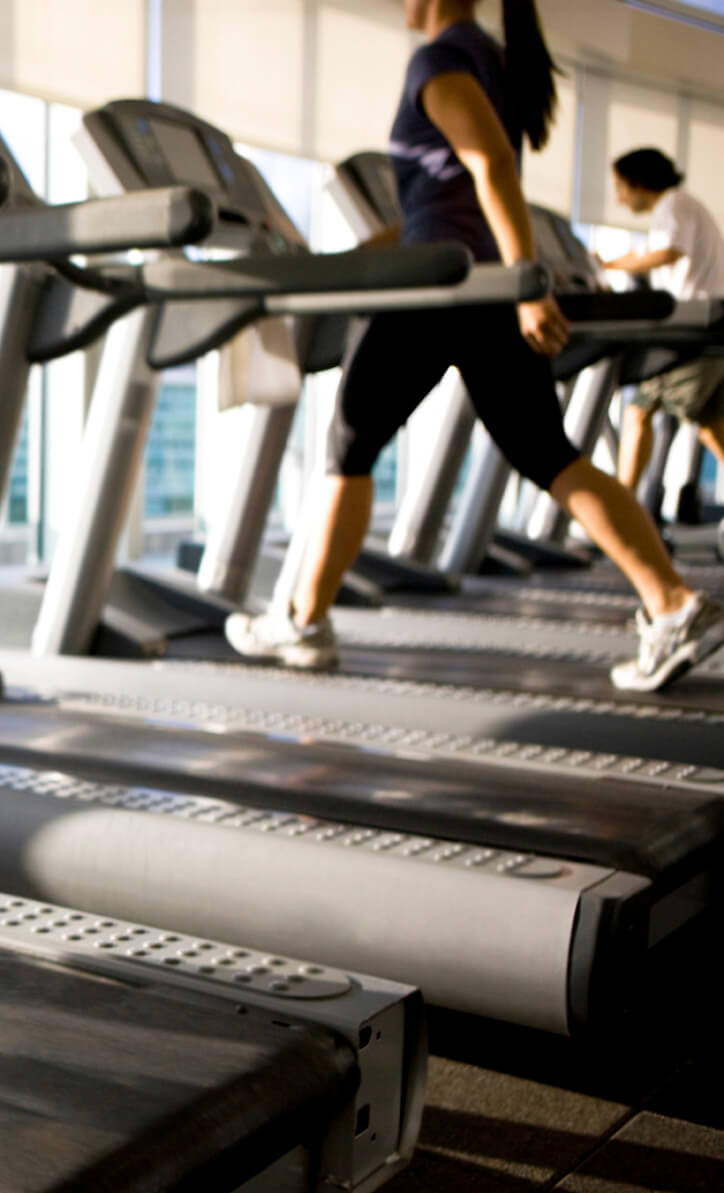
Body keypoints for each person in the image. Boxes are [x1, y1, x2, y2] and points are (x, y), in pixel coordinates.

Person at [227, 0, 724, 692]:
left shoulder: (441, 60)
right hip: (475, 281)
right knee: (549, 453)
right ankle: (673, 602)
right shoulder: (491, 60)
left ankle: (304, 624)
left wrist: (529, 285)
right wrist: (340, 260)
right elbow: (439, 207)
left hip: (448, 292)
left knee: (351, 444)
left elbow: (490, 166)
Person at [595, 148, 724, 526]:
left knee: (639, 412)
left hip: (694, 331)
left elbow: (668, 252)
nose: (618, 196)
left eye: (620, 186)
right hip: (711, 327)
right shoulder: (687, 205)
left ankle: (621, 514)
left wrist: (608, 264)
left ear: (638, 182)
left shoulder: (673, 203)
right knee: (710, 426)